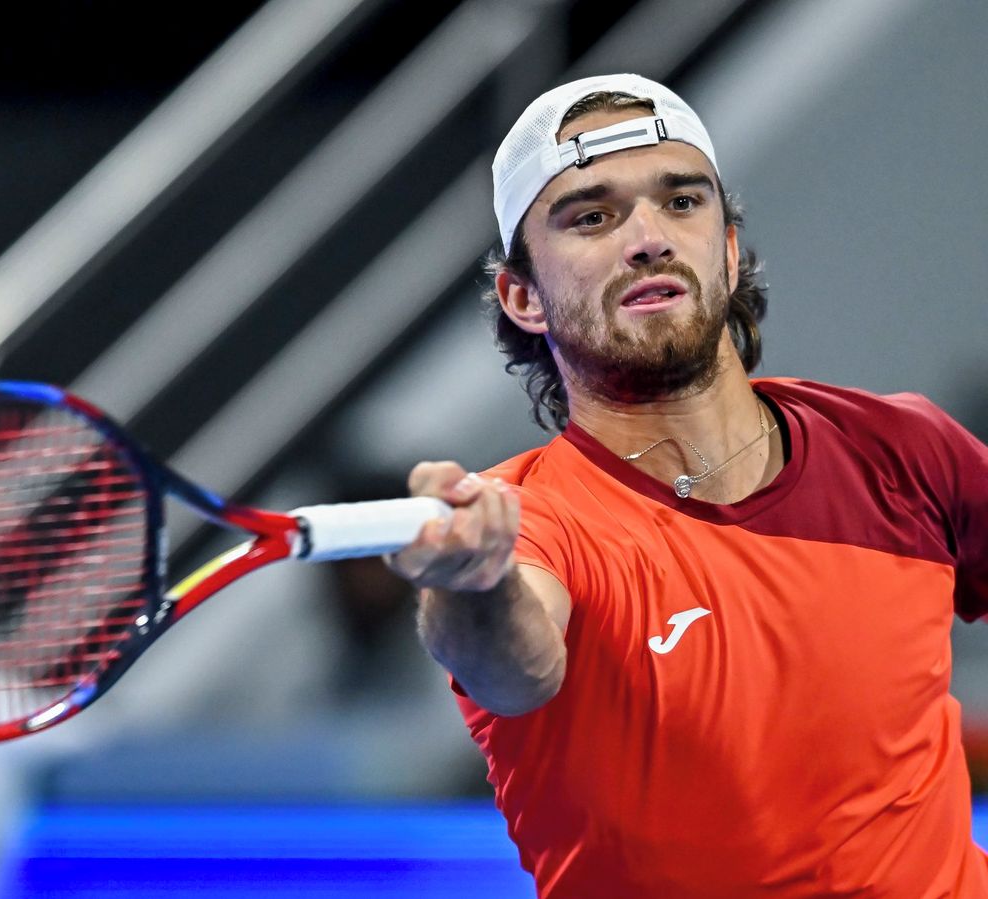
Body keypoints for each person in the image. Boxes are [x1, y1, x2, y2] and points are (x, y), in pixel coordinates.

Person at [386, 73, 988, 896]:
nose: (648, 238)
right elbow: (511, 668)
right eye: (592, 217)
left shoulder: (902, 449)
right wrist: (473, 581)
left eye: (680, 202)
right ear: (523, 296)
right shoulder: (534, 521)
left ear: (729, 252)